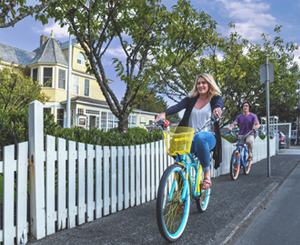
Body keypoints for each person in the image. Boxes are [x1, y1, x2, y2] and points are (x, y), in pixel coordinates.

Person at [154, 73, 224, 190]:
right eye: (198, 83)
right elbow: (177, 107)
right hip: (189, 139)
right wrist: (164, 113)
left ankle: (207, 175)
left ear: (209, 84)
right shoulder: (190, 100)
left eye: (204, 83)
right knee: (179, 160)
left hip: (208, 137)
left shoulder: (215, 98)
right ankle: (181, 197)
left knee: (199, 137)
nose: (200, 85)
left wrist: (217, 109)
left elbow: (219, 104)